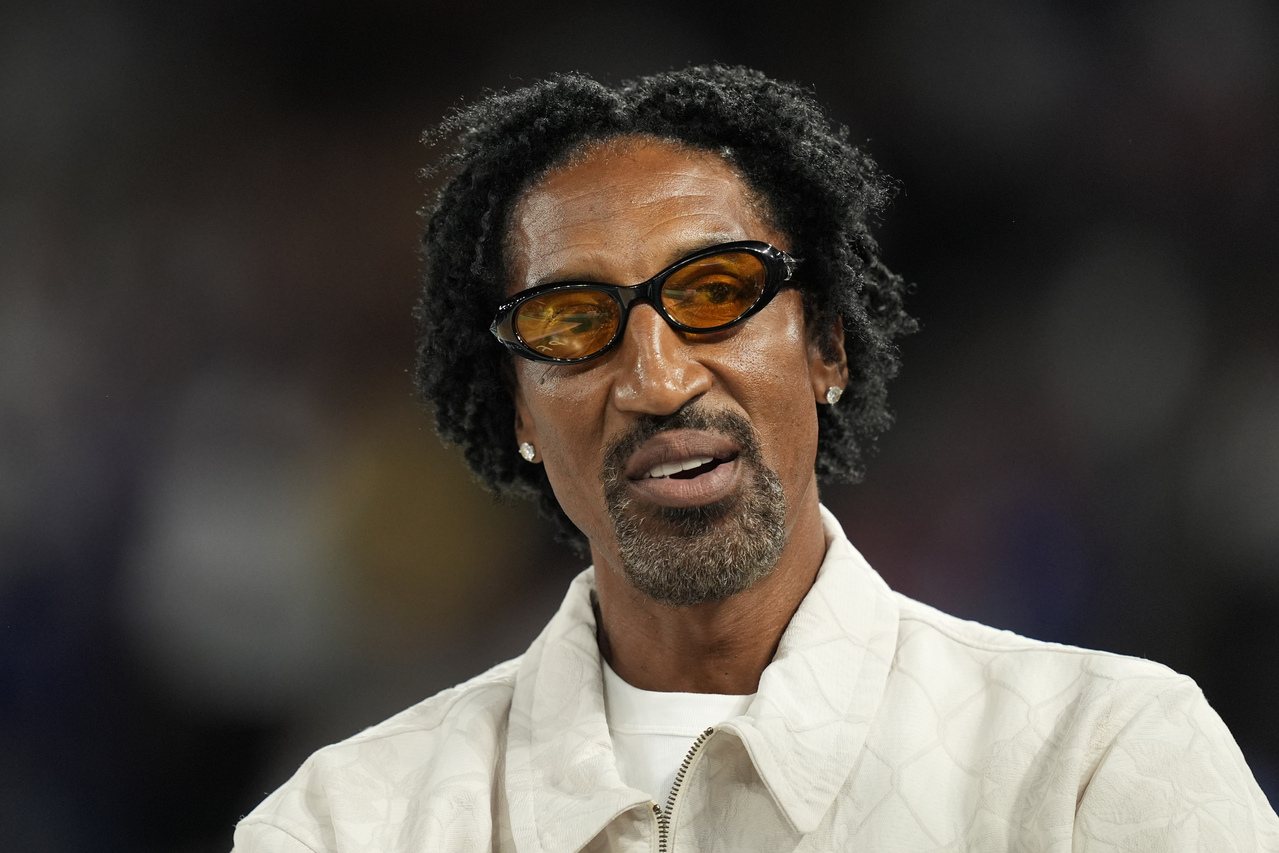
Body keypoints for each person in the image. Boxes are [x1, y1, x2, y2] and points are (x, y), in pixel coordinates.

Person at [232, 66, 1278, 852]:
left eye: (717, 292)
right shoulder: (347, 823)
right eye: (572, 320)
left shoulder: (1097, 761)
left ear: (826, 347)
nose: (656, 378)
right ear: (517, 410)